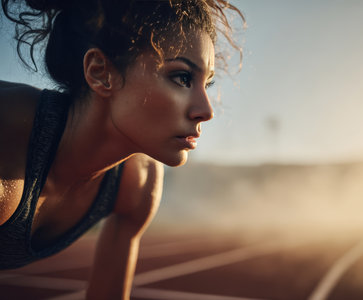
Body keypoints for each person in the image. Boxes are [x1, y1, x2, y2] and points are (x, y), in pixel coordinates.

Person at [0, 0, 243, 298]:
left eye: (207, 83)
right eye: (182, 77)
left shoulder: (138, 181)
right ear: (101, 72)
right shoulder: (8, 148)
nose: (206, 111)